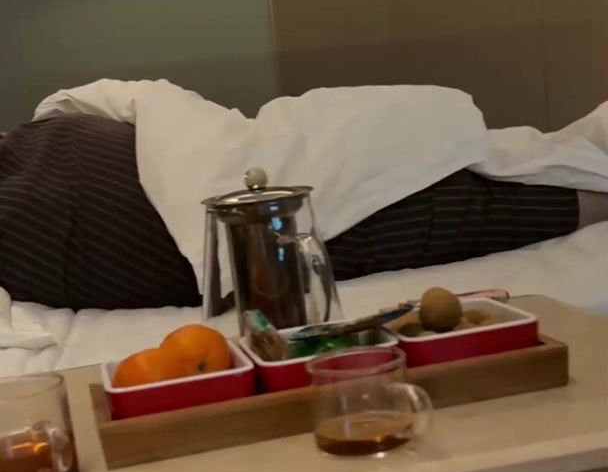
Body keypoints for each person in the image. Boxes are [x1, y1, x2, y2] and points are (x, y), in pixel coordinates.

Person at [0, 113, 605, 312]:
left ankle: (574, 165)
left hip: (136, 157)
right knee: (380, 211)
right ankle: (583, 189)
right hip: (110, 223)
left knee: (371, 146)